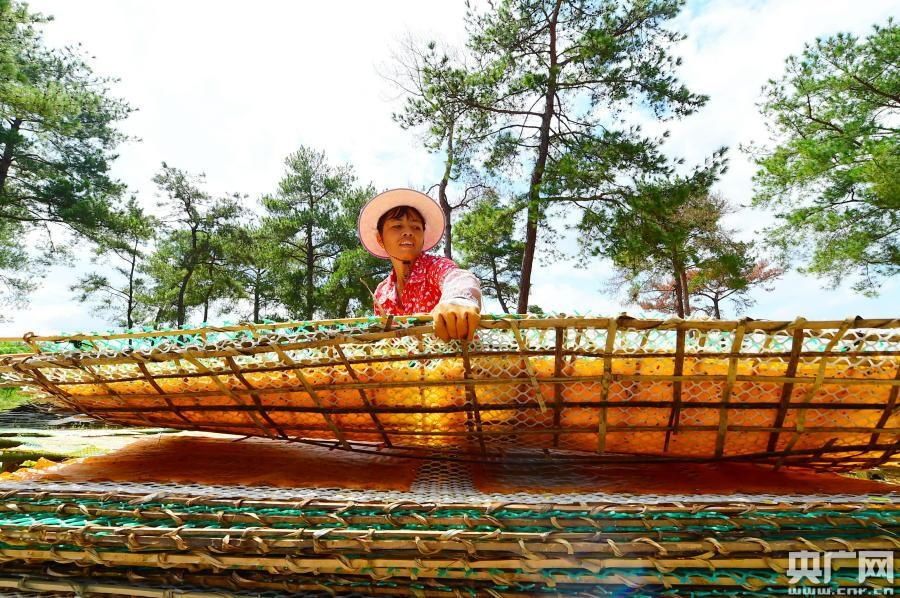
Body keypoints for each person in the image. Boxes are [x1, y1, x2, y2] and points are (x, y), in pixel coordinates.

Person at [358, 188, 482, 341]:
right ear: (380, 238)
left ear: (423, 236)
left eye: (416, 227)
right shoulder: (381, 294)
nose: (408, 232)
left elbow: (457, 277)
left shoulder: (434, 266)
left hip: (458, 360)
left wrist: (458, 300)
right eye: (397, 226)